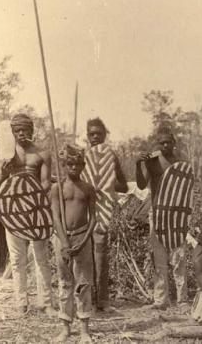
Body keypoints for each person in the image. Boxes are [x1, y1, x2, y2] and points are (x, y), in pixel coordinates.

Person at [0, 113, 54, 315]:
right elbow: (1, 182)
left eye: (25, 129)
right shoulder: (8, 154)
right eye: (17, 130)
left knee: (41, 257)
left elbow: (45, 182)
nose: (21, 133)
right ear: (12, 132)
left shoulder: (42, 153)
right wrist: (3, 173)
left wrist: (34, 197)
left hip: (36, 209)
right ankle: (22, 303)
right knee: (17, 259)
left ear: (31, 130)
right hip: (13, 210)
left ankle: (45, 303)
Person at [136, 127, 187, 309]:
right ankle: (161, 300)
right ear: (158, 144)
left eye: (169, 142)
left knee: (179, 258)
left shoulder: (180, 163)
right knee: (160, 259)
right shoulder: (152, 162)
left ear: (174, 143)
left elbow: (185, 190)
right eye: (162, 142)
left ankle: (182, 300)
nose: (165, 145)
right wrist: (138, 164)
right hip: (157, 213)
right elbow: (142, 185)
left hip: (176, 215)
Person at [51, 145, 96, 343]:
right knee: (65, 283)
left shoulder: (88, 189)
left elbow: (93, 218)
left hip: (82, 238)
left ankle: (84, 329)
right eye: (70, 163)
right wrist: (64, 242)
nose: (74, 167)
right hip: (63, 240)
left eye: (78, 164)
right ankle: (65, 328)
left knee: (83, 283)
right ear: (64, 165)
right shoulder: (57, 188)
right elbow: (55, 217)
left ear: (83, 165)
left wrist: (83, 240)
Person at [84, 118, 128, 311]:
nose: (95, 137)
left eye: (99, 134)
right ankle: (88, 300)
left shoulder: (112, 157)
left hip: (101, 212)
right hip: (82, 214)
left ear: (104, 135)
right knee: (85, 257)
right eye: (91, 134)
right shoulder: (81, 157)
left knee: (100, 257)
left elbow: (123, 186)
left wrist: (105, 185)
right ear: (87, 136)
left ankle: (102, 300)